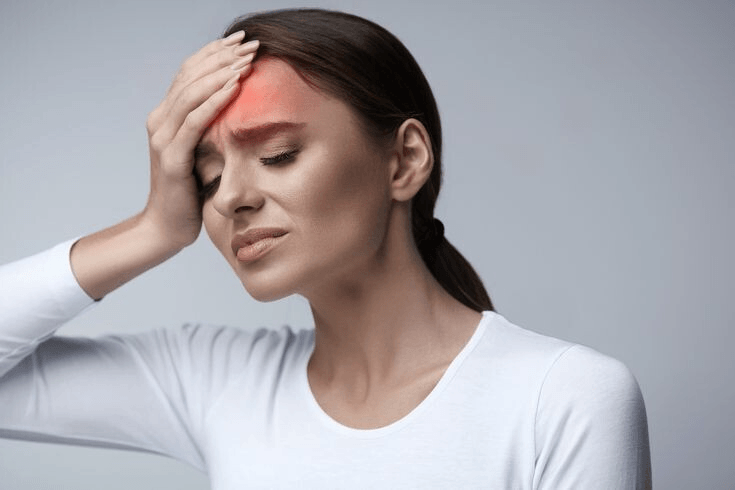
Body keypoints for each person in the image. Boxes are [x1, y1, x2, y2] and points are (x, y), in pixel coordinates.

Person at [0, 8, 651, 489]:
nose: (229, 199)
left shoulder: (561, 396)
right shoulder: (218, 382)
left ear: (405, 160)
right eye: (208, 177)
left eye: (278, 154)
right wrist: (154, 230)